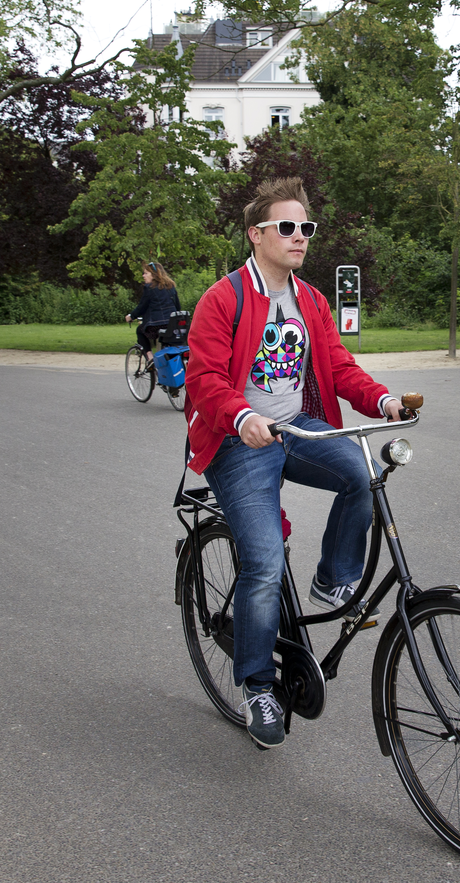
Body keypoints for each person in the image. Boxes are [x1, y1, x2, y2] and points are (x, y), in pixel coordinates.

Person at [184, 176, 404, 750]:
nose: (300, 236)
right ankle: (258, 685)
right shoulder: (224, 298)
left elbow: (338, 364)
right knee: (261, 564)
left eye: (306, 227)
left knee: (362, 473)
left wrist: (380, 399)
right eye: (287, 227)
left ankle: (332, 582)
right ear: (256, 235)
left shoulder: (309, 300)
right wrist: (239, 417)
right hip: (237, 441)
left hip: (293, 426)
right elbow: (204, 380)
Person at [125, 261, 182, 366]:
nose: (143, 275)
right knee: (167, 341)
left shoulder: (150, 288)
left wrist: (131, 316)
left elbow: (142, 306)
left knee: (140, 330)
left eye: (146, 273)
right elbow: (177, 306)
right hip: (173, 325)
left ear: (154, 275)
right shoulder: (171, 286)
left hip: (156, 325)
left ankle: (150, 357)